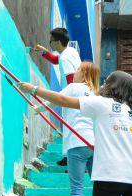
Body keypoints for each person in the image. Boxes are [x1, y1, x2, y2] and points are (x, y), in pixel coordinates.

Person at [34, 62, 122, 196]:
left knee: (77, 189)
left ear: (83, 73)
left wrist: (38, 109)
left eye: (77, 70)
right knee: (102, 189)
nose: (74, 73)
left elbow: (57, 99)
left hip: (77, 144)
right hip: (95, 144)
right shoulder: (97, 93)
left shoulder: (73, 87)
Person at [34, 27, 81, 167]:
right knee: (70, 128)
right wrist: (44, 52)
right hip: (77, 96)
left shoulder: (66, 58)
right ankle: (68, 157)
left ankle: (71, 160)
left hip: (72, 98)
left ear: (58, 42)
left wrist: (47, 105)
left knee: (70, 128)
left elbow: (71, 82)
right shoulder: (70, 51)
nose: (50, 42)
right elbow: (56, 60)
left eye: (51, 40)